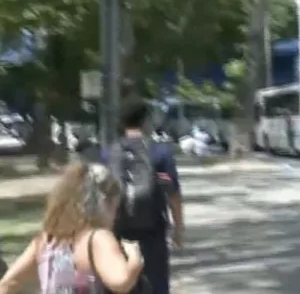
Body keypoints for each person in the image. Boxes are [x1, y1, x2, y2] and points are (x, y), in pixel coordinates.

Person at [0, 162, 144, 293]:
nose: (115, 217)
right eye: (115, 208)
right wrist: (135, 258)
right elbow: (121, 282)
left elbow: (8, 283)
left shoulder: (47, 240)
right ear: (105, 202)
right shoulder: (97, 239)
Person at [109, 97, 184, 294]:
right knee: (156, 285)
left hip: (117, 234)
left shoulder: (108, 154)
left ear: (122, 122)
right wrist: (178, 229)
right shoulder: (160, 153)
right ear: (146, 121)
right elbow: (173, 195)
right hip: (153, 234)